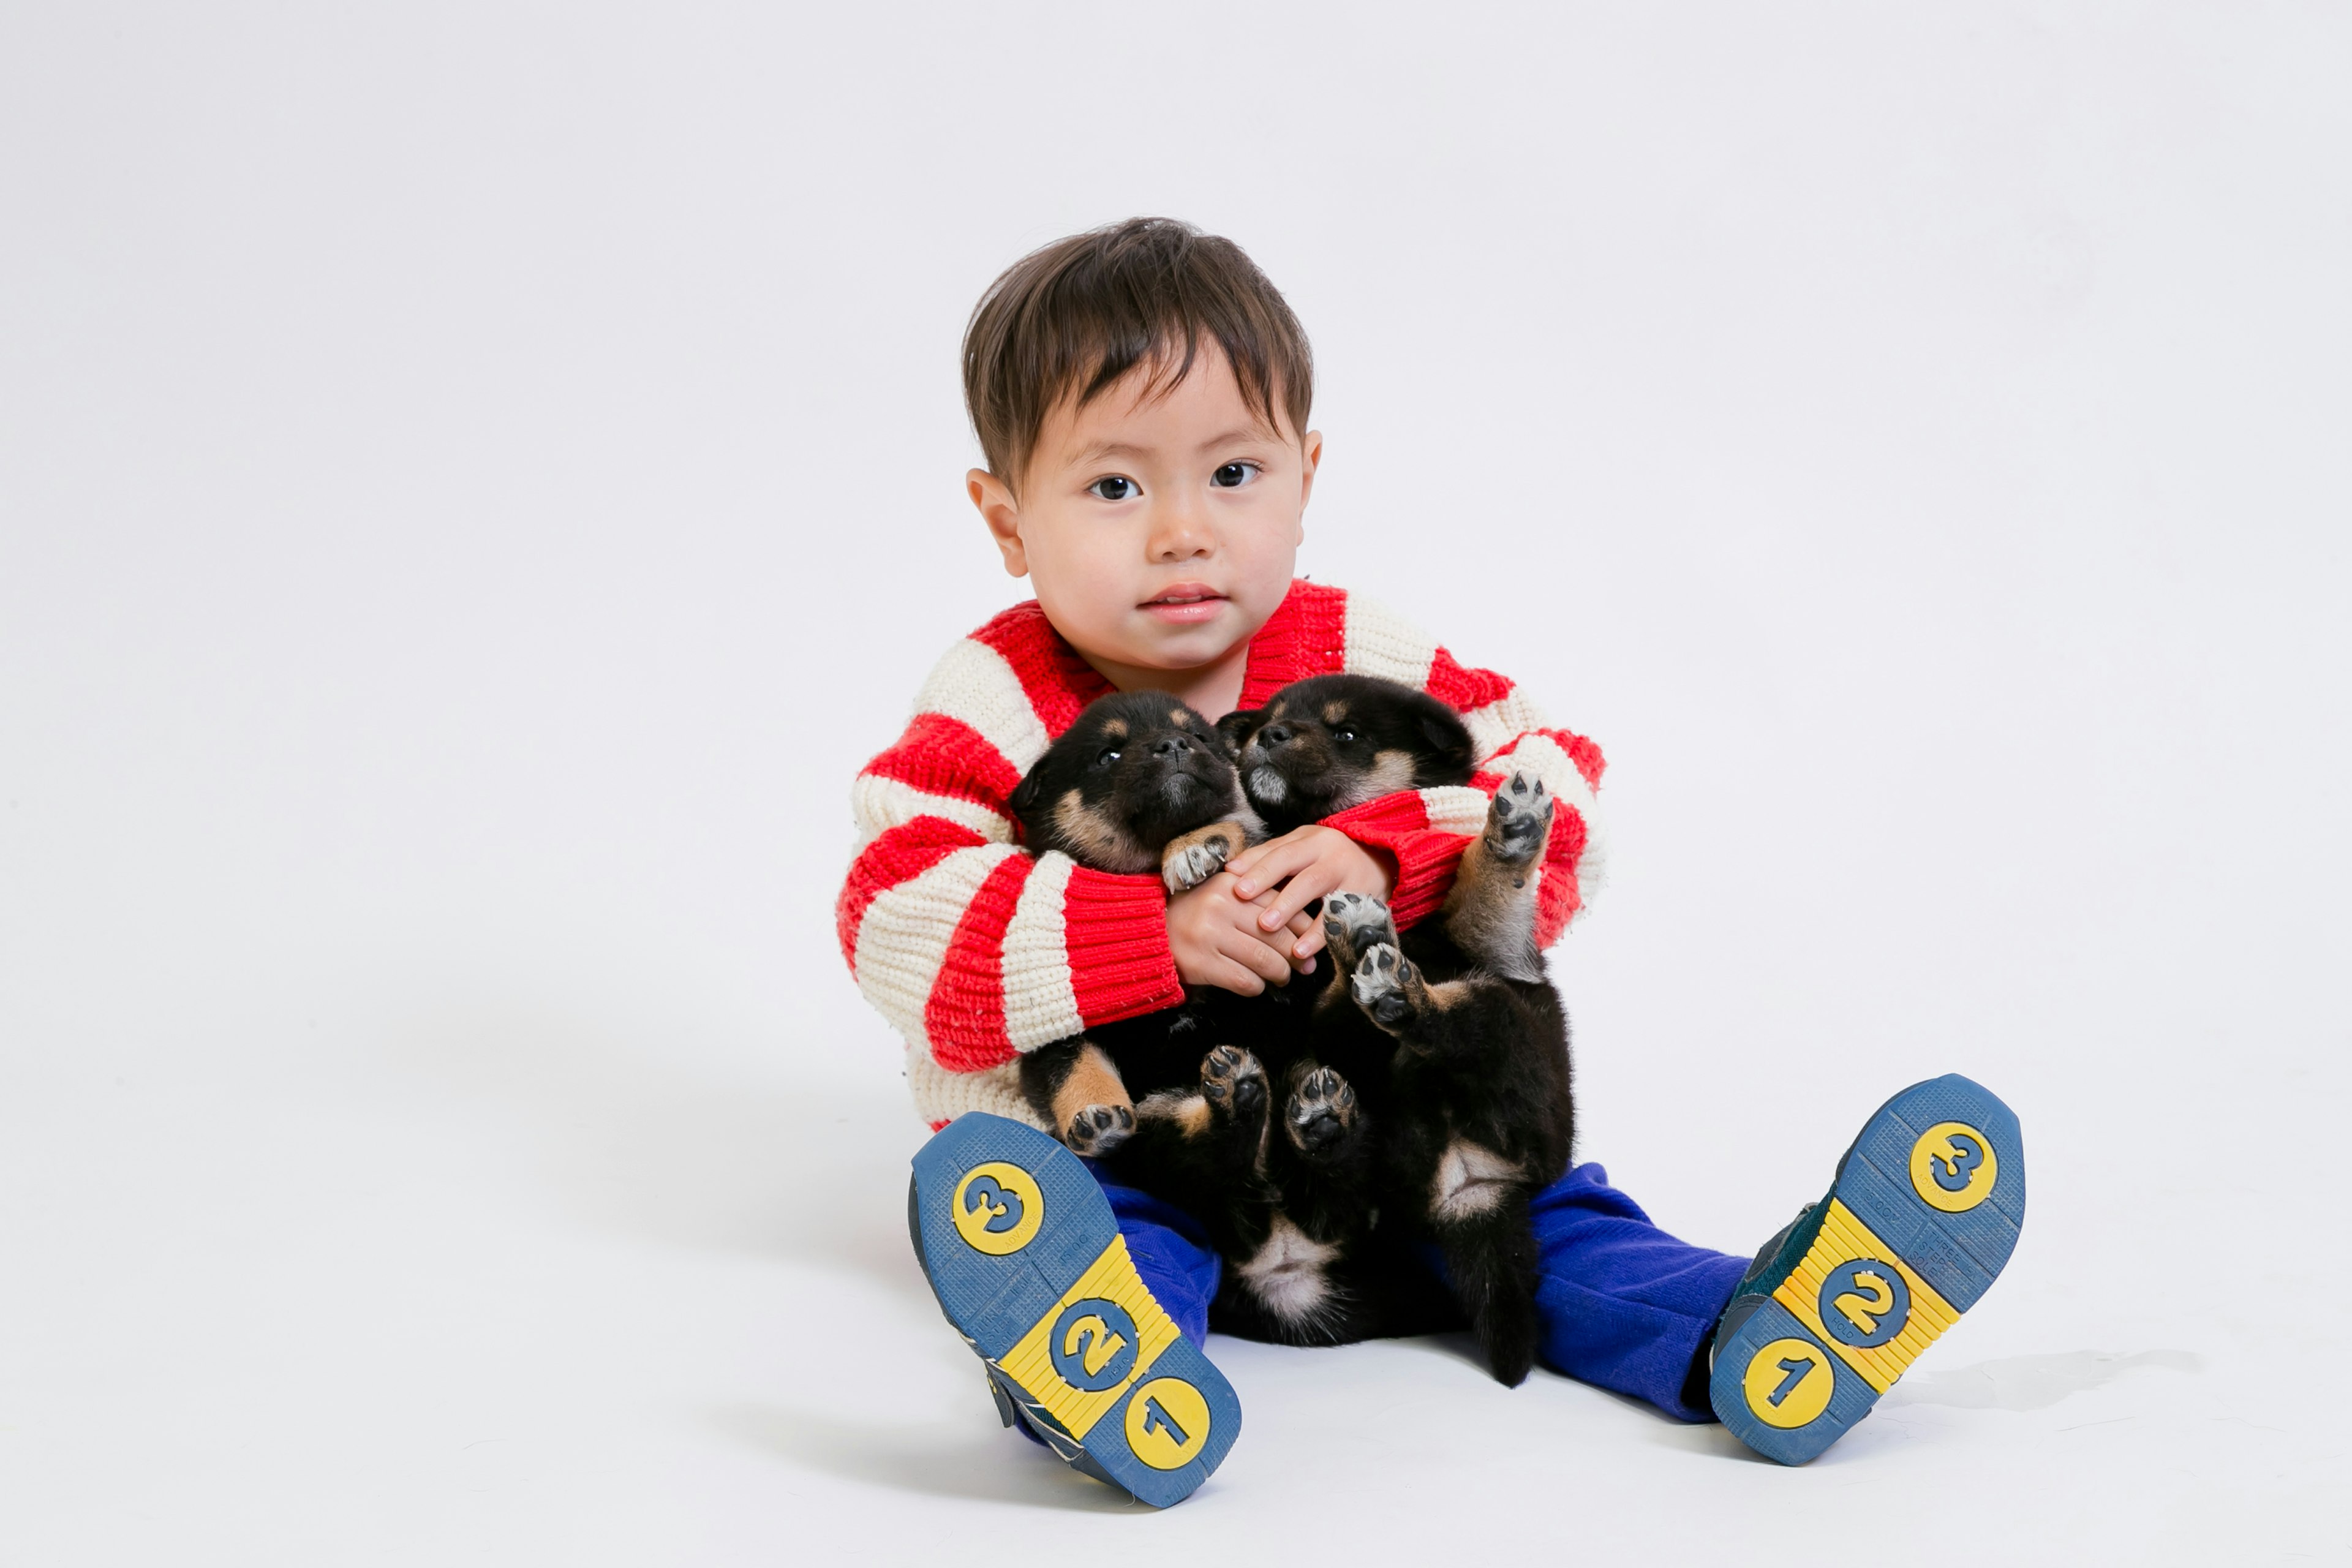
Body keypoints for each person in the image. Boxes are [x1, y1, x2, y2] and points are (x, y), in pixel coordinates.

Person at [839, 217, 2025, 1505]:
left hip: (1400, 1151)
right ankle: (1095, 1366)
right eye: (1116, 487)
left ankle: (1759, 1327)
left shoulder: (1357, 649)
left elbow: (1552, 787)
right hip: (1170, 1160)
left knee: (1553, 1220)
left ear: (1306, 470)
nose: (1183, 530)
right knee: (1117, 1231)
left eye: (1232, 472)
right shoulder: (996, 697)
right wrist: (1149, 937)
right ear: (1006, 519)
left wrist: (1389, 850)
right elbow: (895, 912)